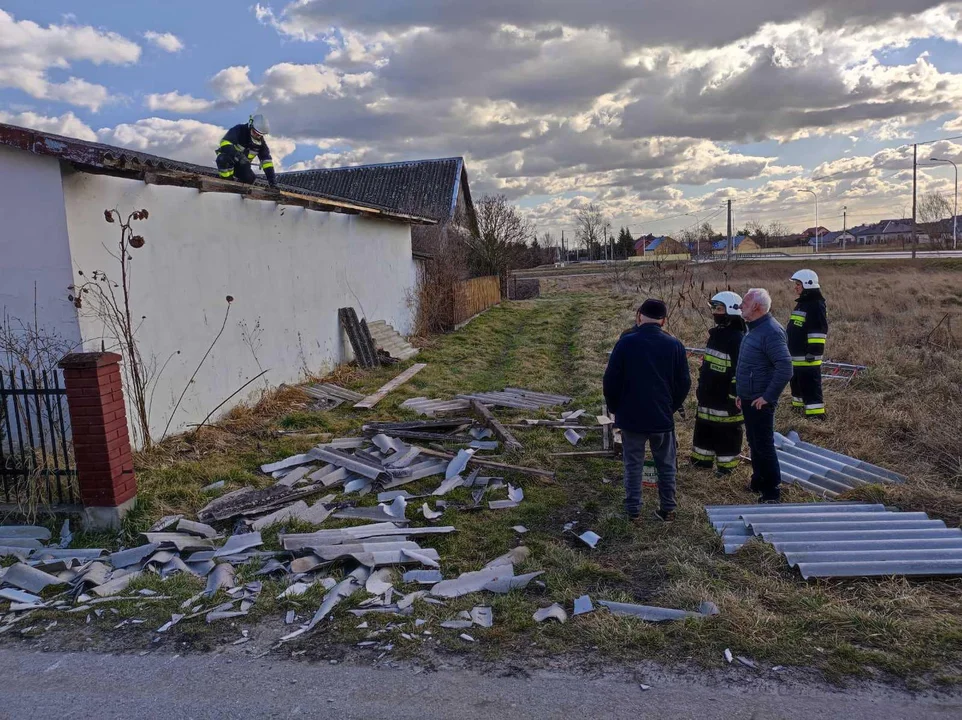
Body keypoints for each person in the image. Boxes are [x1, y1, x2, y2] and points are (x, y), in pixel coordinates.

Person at [603, 299, 691, 521]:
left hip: (632, 417)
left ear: (640, 316)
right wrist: (670, 407)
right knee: (666, 464)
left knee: (633, 464)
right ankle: (668, 509)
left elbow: (610, 381)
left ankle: (633, 512)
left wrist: (615, 408)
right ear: (663, 320)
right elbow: (684, 384)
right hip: (661, 416)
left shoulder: (625, 343)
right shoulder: (675, 346)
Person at [734, 288, 792, 503]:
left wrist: (767, 397)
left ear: (756, 307)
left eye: (745, 303)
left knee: (764, 443)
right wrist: (741, 394)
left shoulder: (770, 331)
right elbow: (750, 365)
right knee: (754, 441)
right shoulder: (754, 328)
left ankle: (772, 491)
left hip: (761, 400)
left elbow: (785, 367)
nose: (741, 306)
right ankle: (758, 480)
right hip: (749, 397)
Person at [691, 292, 747, 474]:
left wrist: (733, 396)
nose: (715, 312)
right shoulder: (716, 335)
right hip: (708, 396)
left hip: (726, 402)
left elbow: (741, 372)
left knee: (726, 435)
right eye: (714, 308)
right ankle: (700, 462)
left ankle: (726, 468)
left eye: (719, 308)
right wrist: (701, 387)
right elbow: (707, 365)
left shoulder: (738, 339)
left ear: (731, 311)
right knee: (703, 430)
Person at [786, 269, 828, 418]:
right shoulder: (803, 303)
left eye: (798, 284)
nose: (795, 287)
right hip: (797, 356)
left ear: (807, 284)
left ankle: (815, 415)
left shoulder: (816, 305)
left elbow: (818, 329)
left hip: (808, 356)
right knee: (796, 383)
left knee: (810, 385)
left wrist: (814, 351)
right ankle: (798, 409)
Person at [215, 114, 277, 187]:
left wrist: (272, 181)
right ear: (250, 125)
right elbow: (225, 143)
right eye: (255, 133)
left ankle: (239, 190)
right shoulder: (239, 130)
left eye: (259, 135)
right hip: (228, 160)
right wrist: (238, 156)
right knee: (223, 159)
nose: (256, 136)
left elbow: (267, 162)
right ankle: (227, 181)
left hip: (242, 166)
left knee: (251, 178)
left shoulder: (261, 145)